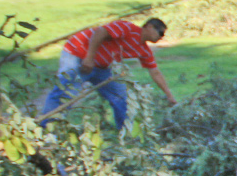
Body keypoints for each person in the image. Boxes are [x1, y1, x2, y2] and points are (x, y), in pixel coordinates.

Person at [41, 18, 176, 129]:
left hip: (102, 68)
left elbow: (155, 72)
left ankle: (126, 133)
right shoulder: (127, 28)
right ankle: (46, 128)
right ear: (149, 26)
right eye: (160, 33)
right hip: (78, 54)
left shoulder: (143, 50)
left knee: (121, 97)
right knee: (65, 93)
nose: (161, 37)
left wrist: (169, 96)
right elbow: (101, 32)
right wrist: (89, 57)